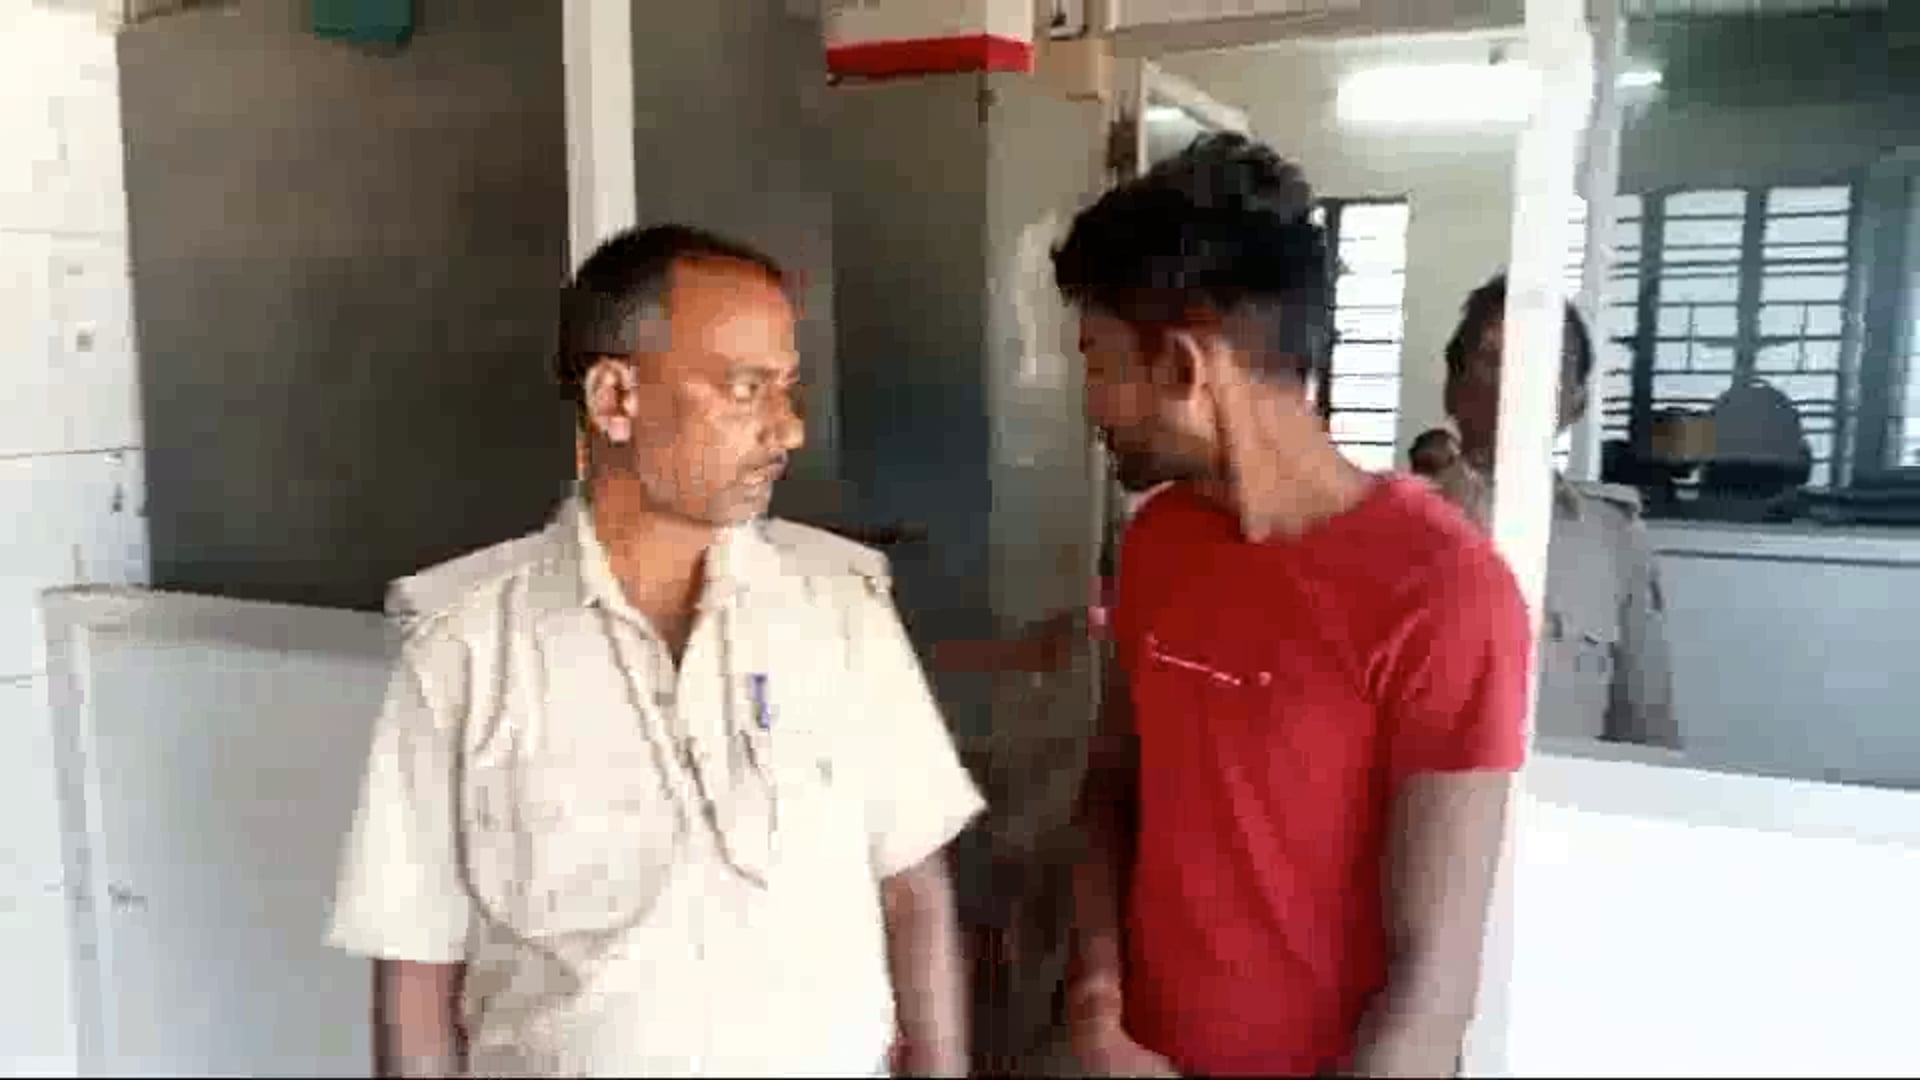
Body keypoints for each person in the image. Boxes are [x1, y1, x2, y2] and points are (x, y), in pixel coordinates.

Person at [328, 224, 983, 1078]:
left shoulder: (840, 612)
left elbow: (914, 891)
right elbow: (417, 971)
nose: (787, 430)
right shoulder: (466, 649)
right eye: (746, 389)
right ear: (614, 399)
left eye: (787, 390)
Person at [1052, 133, 1534, 1077]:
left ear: (1183, 368)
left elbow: (1429, 992)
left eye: (1097, 361)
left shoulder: (1443, 594)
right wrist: (1099, 1009)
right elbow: (1112, 791)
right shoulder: (1158, 545)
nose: (1089, 402)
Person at [1435, 274, 1679, 748]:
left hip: (1568, 795)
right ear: (1453, 387)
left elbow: (1646, 732)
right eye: (1492, 359)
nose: (1514, 382)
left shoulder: (1613, 539)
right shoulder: (1389, 529)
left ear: (1577, 402)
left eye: (1544, 363)